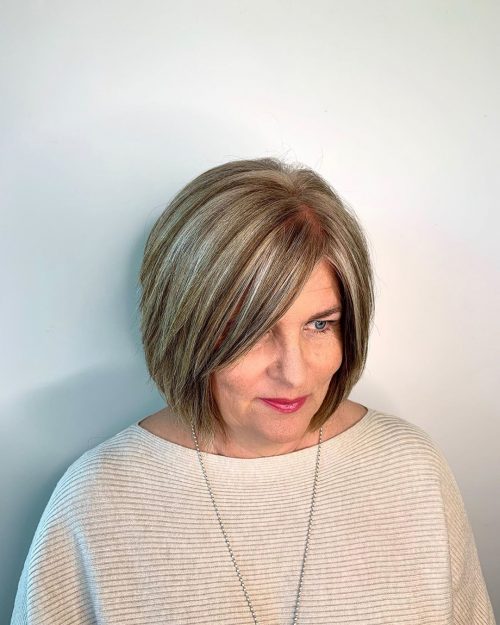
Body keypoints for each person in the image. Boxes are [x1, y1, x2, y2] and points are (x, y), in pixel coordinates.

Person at [11, 157, 495, 624]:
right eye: (254, 328)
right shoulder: (98, 501)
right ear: (183, 328)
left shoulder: (412, 469)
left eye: (320, 324)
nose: (295, 374)